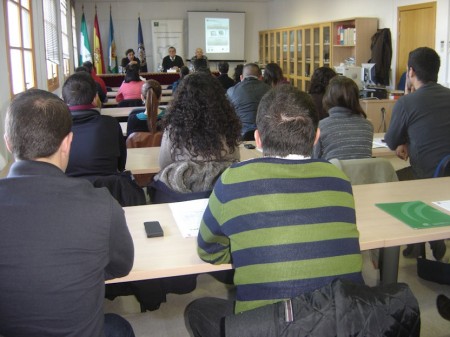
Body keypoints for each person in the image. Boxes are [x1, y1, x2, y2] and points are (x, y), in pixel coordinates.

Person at [186, 84, 363, 337]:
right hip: (343, 324)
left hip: (272, 328)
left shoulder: (234, 179)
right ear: (316, 137)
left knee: (198, 310)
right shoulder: (339, 178)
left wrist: (250, 250)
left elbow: (208, 252)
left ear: (257, 139)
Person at [0, 88, 135, 337]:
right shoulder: (102, 206)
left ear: (8, 143)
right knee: (120, 326)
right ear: (68, 142)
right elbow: (121, 267)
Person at [385, 47, 450, 260]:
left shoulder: (407, 103)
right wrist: (406, 141)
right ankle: (419, 242)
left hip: (426, 174)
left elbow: (391, 141)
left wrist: (402, 142)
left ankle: (424, 238)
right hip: (445, 172)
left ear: (410, 72)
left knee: (394, 180)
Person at [154, 71, 241, 195]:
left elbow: (164, 164)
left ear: (182, 97)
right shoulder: (228, 125)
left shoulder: (173, 128)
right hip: (220, 192)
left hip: (182, 194)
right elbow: (235, 158)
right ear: (218, 97)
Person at [62, 72, 127, 177]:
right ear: (95, 98)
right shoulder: (111, 124)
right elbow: (121, 165)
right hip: (107, 191)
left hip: (68, 191)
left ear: (64, 101)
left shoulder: (56, 129)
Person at [312, 76, 374, 160]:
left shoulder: (322, 126)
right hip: (361, 173)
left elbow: (314, 159)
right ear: (356, 99)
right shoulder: (368, 126)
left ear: (328, 98)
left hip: (332, 172)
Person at [227, 63, 271, 136]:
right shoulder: (270, 90)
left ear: (241, 77)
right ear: (260, 77)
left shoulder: (231, 91)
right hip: (264, 134)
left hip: (240, 134)